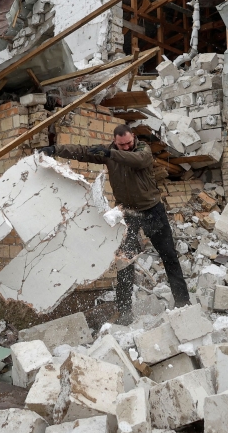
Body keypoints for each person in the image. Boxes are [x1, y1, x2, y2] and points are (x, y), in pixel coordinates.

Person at [39, 125, 191, 323]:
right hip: (127, 214)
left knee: (169, 256)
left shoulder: (142, 149)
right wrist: (55, 150)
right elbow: (82, 152)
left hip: (152, 211)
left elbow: (137, 160)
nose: (126, 147)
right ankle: (124, 312)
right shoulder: (110, 152)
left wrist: (111, 153)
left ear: (133, 138)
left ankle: (183, 303)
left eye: (128, 143)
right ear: (115, 141)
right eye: (121, 145)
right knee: (124, 262)